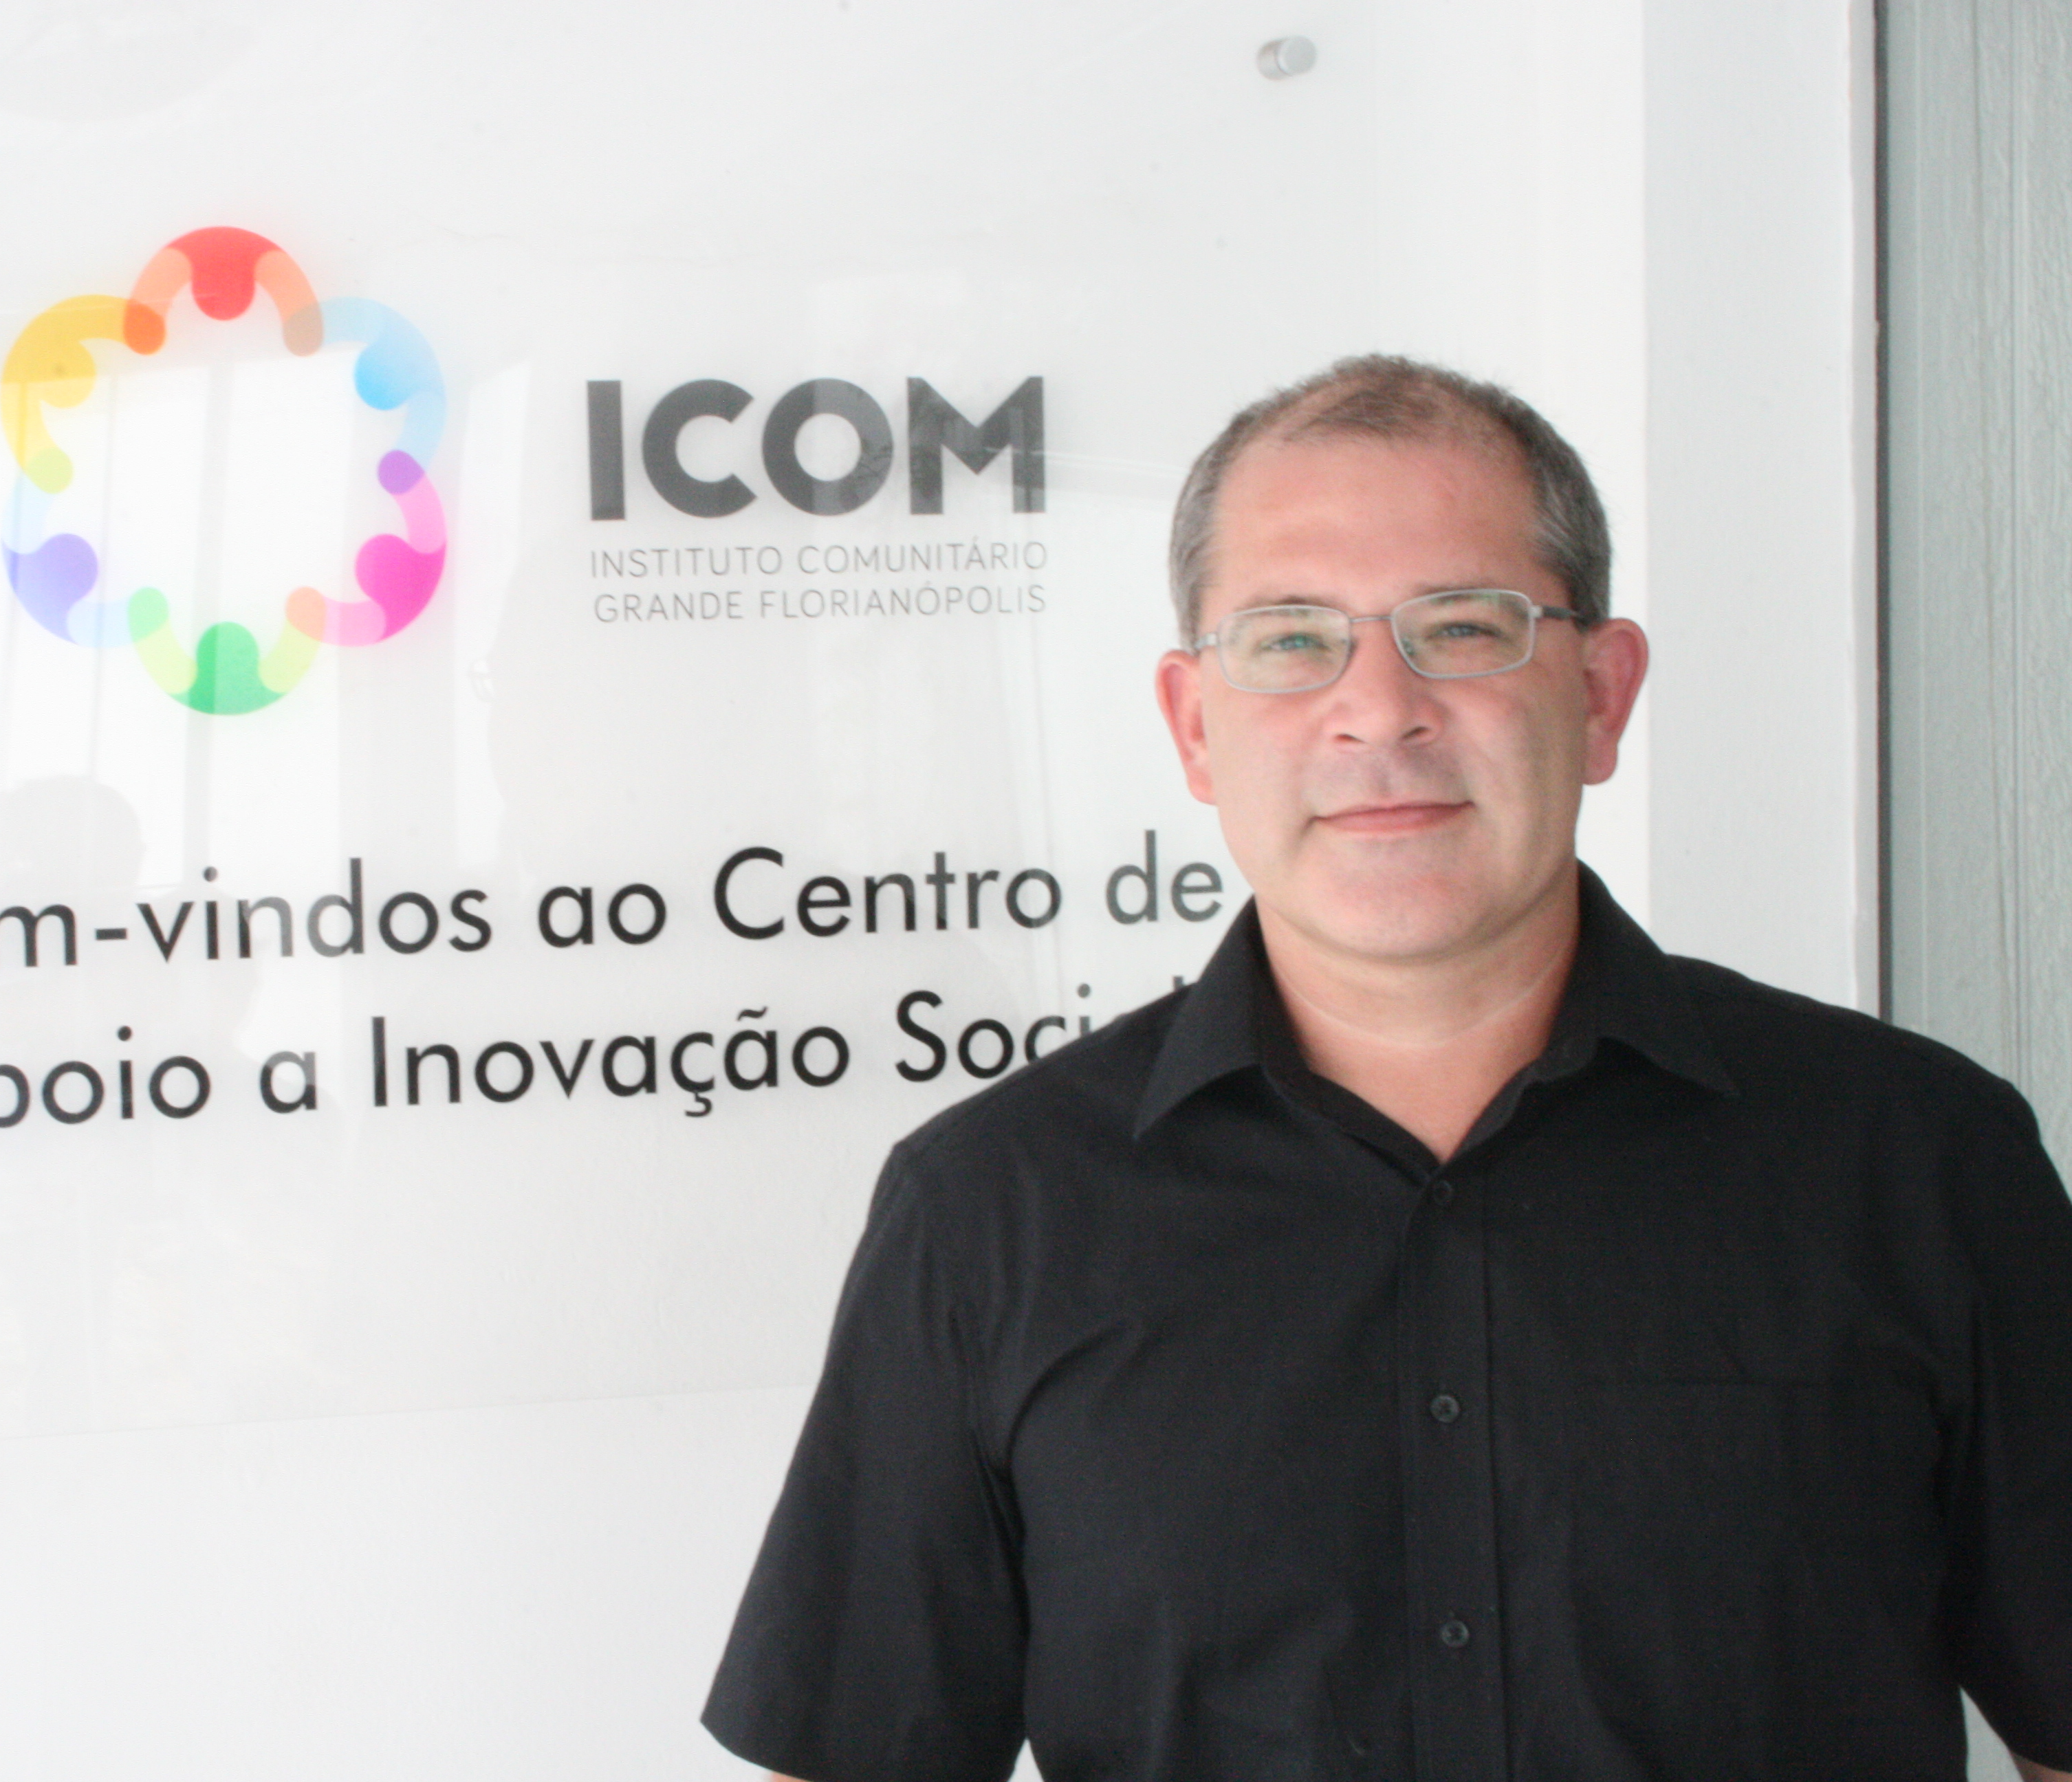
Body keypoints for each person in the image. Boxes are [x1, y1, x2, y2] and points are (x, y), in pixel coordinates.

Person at [702, 356, 2072, 1781]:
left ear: (1601, 695)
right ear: (1194, 726)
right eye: (1291, 640)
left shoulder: (1918, 1159)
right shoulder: (993, 1211)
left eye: (1464, 628)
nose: (1378, 711)